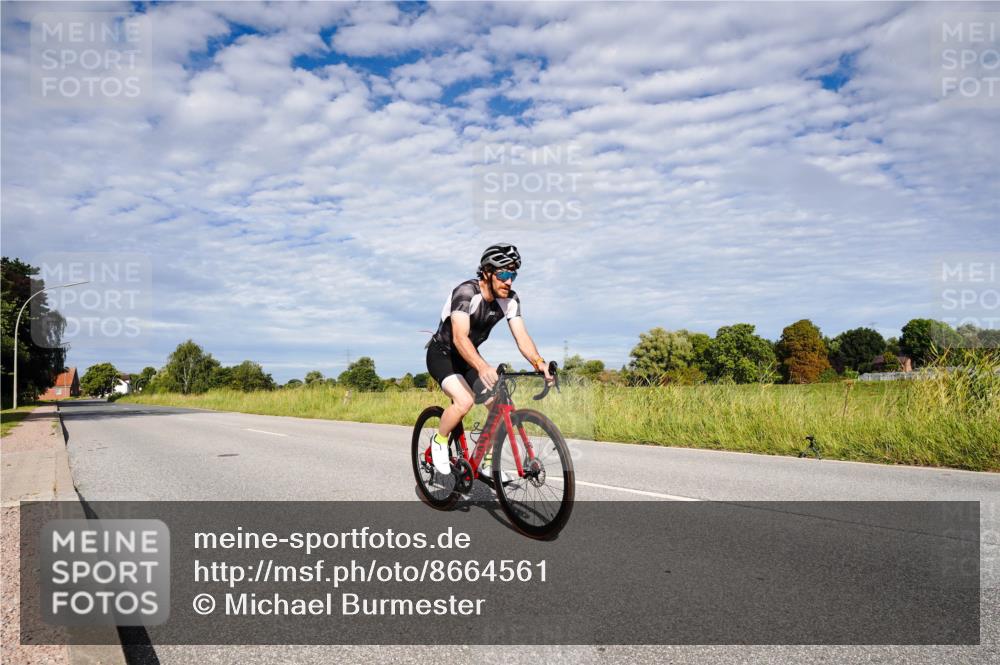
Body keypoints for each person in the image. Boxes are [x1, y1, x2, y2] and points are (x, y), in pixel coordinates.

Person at [425, 243, 553, 480]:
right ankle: (439, 441)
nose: (509, 281)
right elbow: (459, 337)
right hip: (442, 355)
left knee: (497, 405)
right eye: (503, 273)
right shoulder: (466, 293)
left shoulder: (510, 300)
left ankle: (486, 462)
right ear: (487, 272)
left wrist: (539, 363)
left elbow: (522, 337)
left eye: (513, 274)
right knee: (464, 401)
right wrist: (483, 366)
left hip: (469, 359)